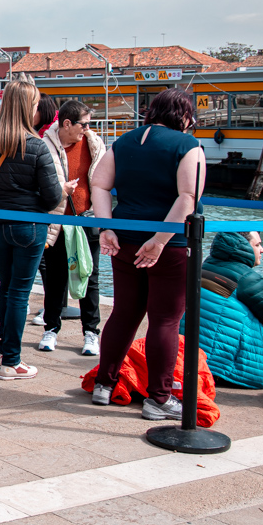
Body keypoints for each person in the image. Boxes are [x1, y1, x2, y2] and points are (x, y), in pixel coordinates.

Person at [91, 88, 204, 420]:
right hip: (170, 247)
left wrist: (106, 227)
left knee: (124, 313)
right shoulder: (189, 147)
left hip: (123, 240)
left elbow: (99, 185)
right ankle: (159, 397)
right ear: (185, 115)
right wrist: (160, 240)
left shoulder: (123, 142)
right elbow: (188, 197)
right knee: (166, 320)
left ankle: (104, 384)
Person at [0, 81, 63, 380]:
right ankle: (12, 360)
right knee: (19, 293)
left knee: (6, 288)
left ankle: (3, 352)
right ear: (29, 108)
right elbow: (52, 197)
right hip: (29, 225)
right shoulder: (36, 145)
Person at [38, 99, 106, 356]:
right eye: (84, 124)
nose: (87, 129)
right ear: (67, 123)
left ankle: (91, 332)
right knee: (55, 279)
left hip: (88, 219)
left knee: (91, 276)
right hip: (57, 221)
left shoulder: (94, 143)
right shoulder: (45, 145)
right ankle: (51, 328)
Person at [189, 231, 263, 389]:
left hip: (196, 359)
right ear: (243, 248)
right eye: (257, 245)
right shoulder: (248, 278)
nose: (262, 250)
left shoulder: (206, 266)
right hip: (225, 368)